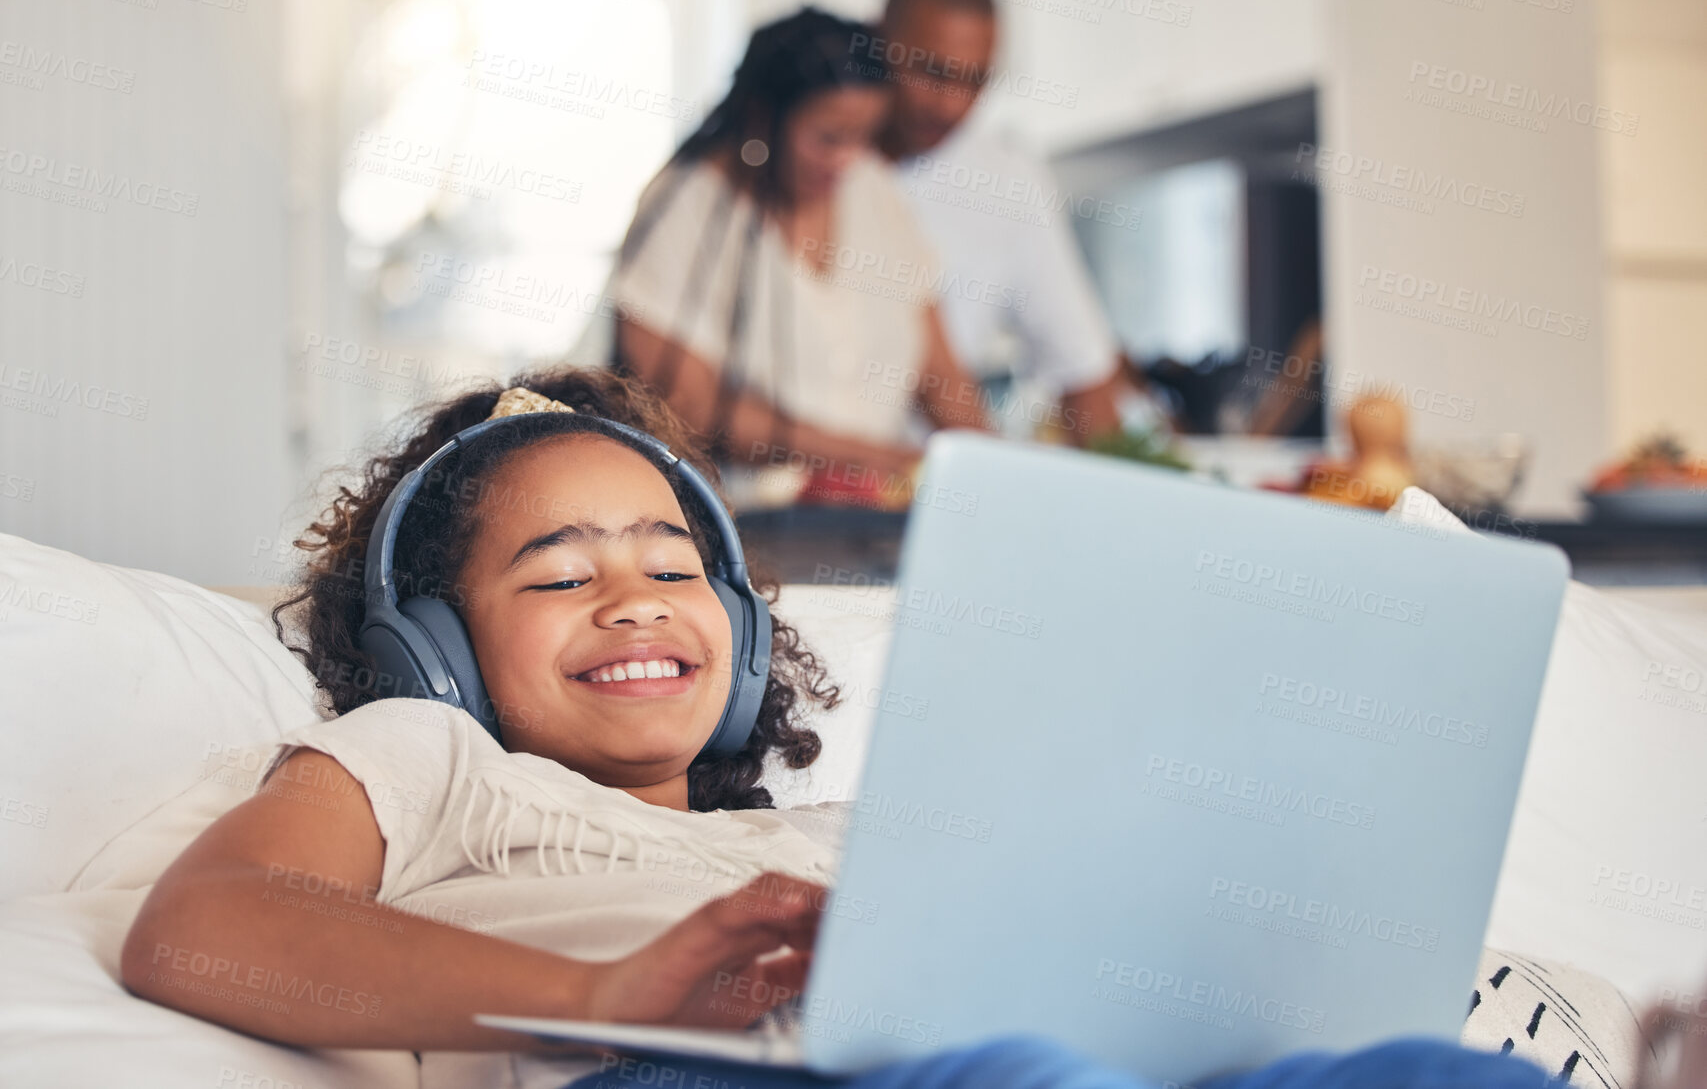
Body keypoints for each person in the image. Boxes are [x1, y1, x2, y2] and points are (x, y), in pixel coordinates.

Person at [106, 362, 1582, 1088]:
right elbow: (209, 924)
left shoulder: (853, 829)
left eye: (674, 568)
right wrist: (618, 993)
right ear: (435, 647)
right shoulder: (438, 761)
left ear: (745, 638)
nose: (630, 601)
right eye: (558, 574)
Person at [599, 6, 992, 504]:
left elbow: (942, 380)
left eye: (864, 137)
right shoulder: (688, 207)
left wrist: (992, 471)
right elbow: (686, 404)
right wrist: (869, 456)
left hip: (875, 517)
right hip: (744, 523)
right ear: (765, 117)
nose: (848, 160)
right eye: (828, 138)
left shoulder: (872, 188)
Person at [872, 0, 1155, 447]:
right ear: (878, 39)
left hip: (922, 489)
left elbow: (1082, 371)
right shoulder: (823, 160)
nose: (950, 104)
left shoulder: (1008, 183)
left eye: (975, 80)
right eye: (931, 71)